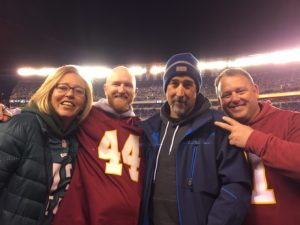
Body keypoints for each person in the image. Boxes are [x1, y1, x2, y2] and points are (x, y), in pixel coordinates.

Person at [138, 53, 251, 225]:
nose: (180, 92)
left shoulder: (219, 126)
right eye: (174, 84)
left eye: (188, 84)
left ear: (196, 90)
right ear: (166, 89)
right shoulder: (150, 129)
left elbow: (237, 185)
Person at [0, 65, 93, 225]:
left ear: (86, 101)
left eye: (79, 91)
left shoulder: (79, 136)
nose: (70, 94)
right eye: (62, 87)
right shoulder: (22, 126)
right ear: (49, 91)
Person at [52, 66, 144, 225]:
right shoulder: (85, 115)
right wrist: (11, 113)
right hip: (83, 217)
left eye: (128, 85)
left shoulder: (144, 130)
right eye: (116, 84)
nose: (121, 90)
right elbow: (49, 112)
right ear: (105, 88)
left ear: (136, 92)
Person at [214, 68, 300, 225]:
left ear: (255, 90)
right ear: (219, 100)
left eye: (240, 91)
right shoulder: (218, 132)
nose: (234, 98)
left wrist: (253, 139)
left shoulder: (292, 121)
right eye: (226, 95)